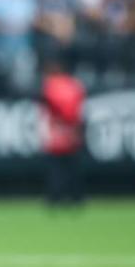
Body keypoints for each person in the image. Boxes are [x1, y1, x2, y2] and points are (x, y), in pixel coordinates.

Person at [40, 59, 86, 206]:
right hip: (73, 130)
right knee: (72, 167)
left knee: (56, 168)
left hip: (57, 132)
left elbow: (49, 106)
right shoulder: (74, 85)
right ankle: (76, 197)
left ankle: (55, 197)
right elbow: (79, 107)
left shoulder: (51, 86)